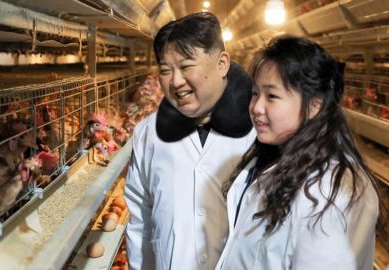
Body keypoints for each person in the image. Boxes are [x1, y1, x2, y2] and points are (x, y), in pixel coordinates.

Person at [216, 35, 380, 270]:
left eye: (272, 96)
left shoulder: (330, 192)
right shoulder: (269, 158)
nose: (256, 107)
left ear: (315, 106)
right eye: (255, 93)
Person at [123, 12, 256, 270]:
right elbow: (140, 221)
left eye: (185, 67)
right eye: (165, 70)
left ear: (222, 63)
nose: (175, 81)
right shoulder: (148, 134)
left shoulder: (259, 130)